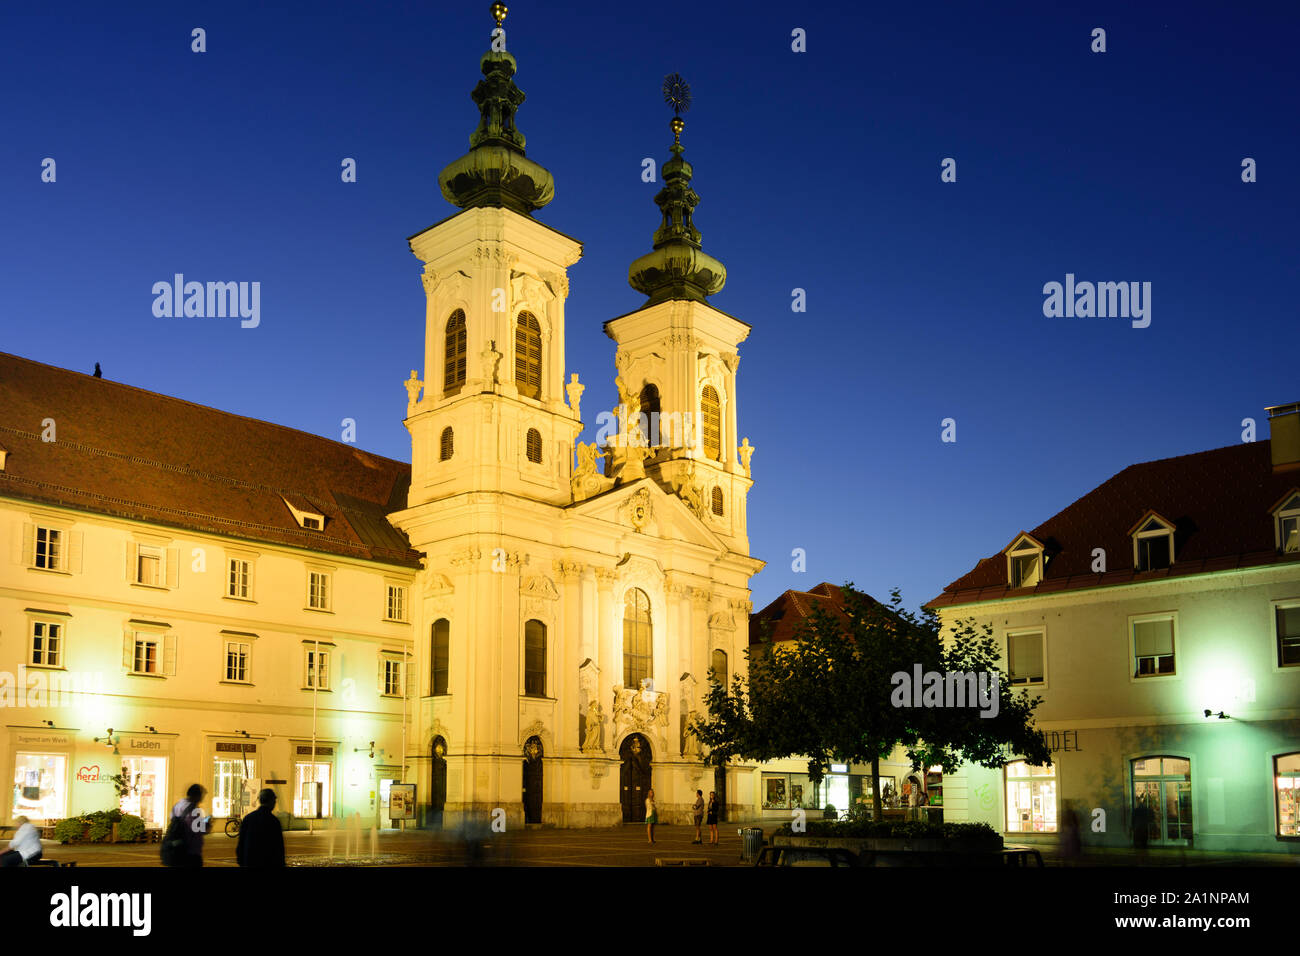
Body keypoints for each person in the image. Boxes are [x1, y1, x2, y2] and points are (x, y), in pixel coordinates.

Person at [236, 789, 285, 867]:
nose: (275, 803)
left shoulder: (248, 818)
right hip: (267, 862)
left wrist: (241, 861)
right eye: (274, 800)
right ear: (271, 801)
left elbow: (241, 843)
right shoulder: (274, 821)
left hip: (249, 861)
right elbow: (278, 848)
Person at [169, 783, 210, 867]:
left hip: (177, 849)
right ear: (197, 795)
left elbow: (173, 821)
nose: (202, 798)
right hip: (191, 852)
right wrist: (208, 823)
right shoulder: (194, 809)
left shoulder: (177, 806)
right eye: (201, 795)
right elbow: (201, 830)